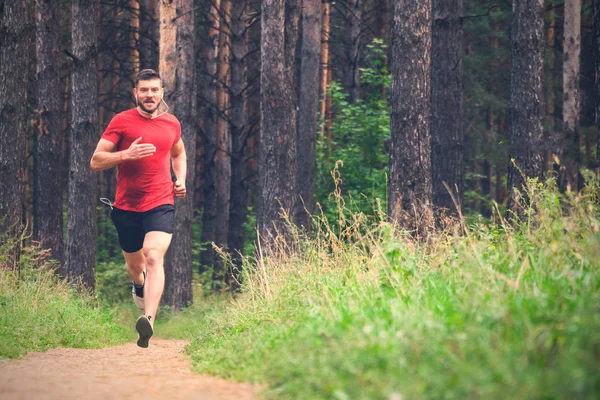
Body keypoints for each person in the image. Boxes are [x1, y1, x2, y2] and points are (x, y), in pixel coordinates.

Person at [90, 69, 186, 348]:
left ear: (161, 93)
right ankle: (139, 286)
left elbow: (178, 153)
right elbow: (96, 160)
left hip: (161, 201)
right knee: (135, 267)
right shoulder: (122, 122)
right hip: (127, 206)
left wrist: (180, 180)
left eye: (154, 90)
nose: (149, 95)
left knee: (154, 256)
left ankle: (149, 321)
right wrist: (125, 154)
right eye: (144, 90)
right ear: (135, 93)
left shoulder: (171, 123)